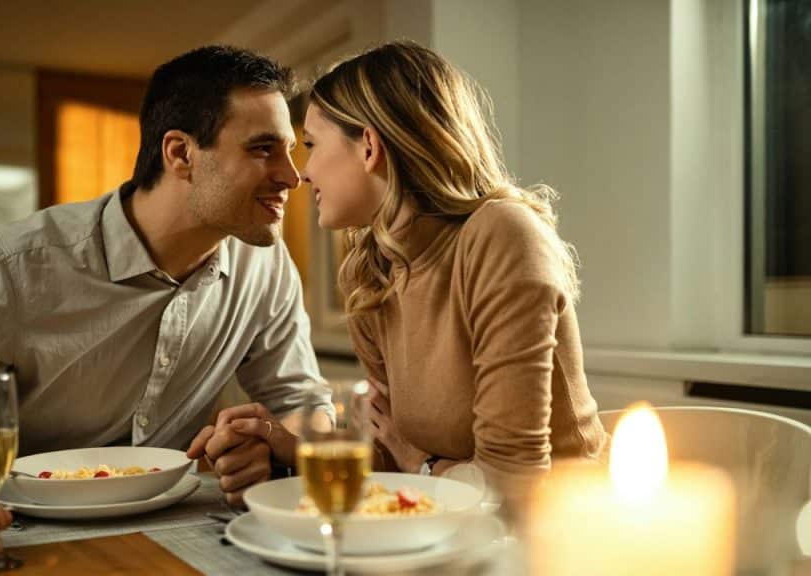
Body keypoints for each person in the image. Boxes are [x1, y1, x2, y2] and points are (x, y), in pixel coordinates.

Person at [0, 45, 332, 565]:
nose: (292, 175)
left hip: (175, 538)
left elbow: (302, 406)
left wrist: (270, 440)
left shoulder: (266, 268)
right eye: (263, 149)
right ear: (180, 154)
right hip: (11, 541)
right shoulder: (7, 272)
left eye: (291, 150)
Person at [224, 41, 607, 509]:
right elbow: (390, 450)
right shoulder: (371, 271)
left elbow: (510, 486)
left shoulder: (501, 235)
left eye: (311, 146)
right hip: (447, 521)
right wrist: (290, 447)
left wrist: (420, 464)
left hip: (562, 527)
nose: (303, 174)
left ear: (369, 146)